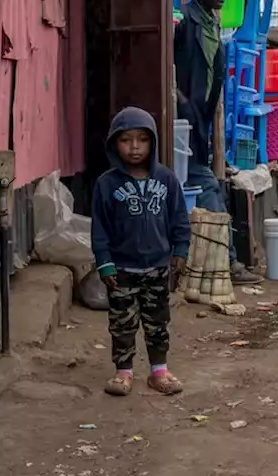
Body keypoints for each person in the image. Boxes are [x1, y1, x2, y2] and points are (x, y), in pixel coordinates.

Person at [90, 107, 192, 397]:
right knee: (122, 324)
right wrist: (105, 263)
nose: (134, 147)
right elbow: (100, 230)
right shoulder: (106, 184)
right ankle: (123, 372)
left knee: (157, 322)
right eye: (126, 140)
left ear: (153, 143)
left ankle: (159, 370)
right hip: (121, 270)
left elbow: (179, 221)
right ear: (114, 144)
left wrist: (180, 252)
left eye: (142, 140)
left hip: (158, 268)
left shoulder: (167, 180)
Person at [173, 0, 263, 285]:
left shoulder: (213, 22)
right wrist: (180, 99)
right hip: (183, 120)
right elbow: (167, 63)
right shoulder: (185, 21)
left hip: (199, 121)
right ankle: (228, 262)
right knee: (209, 188)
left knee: (207, 186)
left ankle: (222, 262)